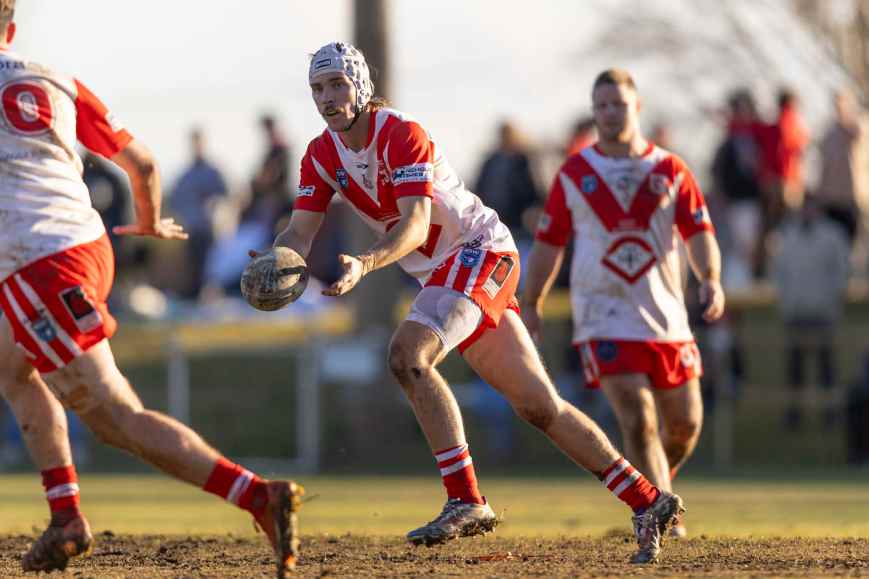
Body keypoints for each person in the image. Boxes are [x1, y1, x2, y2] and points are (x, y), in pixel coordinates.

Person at [259, 41, 684, 564]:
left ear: (361, 85)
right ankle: (648, 500)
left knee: (408, 356)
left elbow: (416, 226)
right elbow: (300, 232)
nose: (327, 97)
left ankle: (465, 498)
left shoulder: (400, 133)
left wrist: (365, 264)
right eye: (317, 88)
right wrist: (277, 260)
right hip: (450, 273)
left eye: (337, 85)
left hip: (480, 252)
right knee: (538, 406)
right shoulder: (320, 154)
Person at [0, 4, 303, 576]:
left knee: (115, 416)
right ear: (11, 30)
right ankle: (66, 517)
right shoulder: (55, 80)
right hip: (87, 244)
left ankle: (255, 495)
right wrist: (147, 222)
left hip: (38, 264)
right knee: (11, 366)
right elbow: (141, 164)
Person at [521, 69, 725, 539]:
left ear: (638, 107)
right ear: (595, 112)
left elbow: (699, 232)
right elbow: (549, 244)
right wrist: (532, 302)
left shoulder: (670, 170)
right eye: (602, 106)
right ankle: (665, 521)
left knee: (685, 427)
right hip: (604, 317)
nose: (610, 113)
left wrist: (711, 280)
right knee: (639, 419)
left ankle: (648, 497)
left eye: (619, 104)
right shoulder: (575, 173)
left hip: (666, 318)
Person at [771, 195, 850, 430]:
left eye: (811, 208)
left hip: (822, 312)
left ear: (819, 210)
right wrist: (786, 303)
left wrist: (832, 302)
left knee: (827, 367)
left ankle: (830, 414)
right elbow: (779, 272)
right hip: (796, 312)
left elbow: (842, 271)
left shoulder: (833, 236)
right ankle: (794, 414)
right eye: (804, 208)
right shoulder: (788, 235)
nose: (807, 212)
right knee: (794, 368)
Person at [170, 128, 229, 299]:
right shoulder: (185, 175)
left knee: (210, 267)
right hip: (191, 228)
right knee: (193, 266)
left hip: (209, 229)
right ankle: (194, 296)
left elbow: (226, 195)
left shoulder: (213, 172)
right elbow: (175, 200)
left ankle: (210, 295)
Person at [816, 90, 869, 250]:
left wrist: (848, 118)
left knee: (853, 243)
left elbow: (859, 133)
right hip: (831, 198)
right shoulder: (829, 132)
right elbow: (824, 165)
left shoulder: (858, 125)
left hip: (853, 199)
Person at [474, 120, 540, 243]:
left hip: (520, 223)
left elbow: (534, 188)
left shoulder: (524, 160)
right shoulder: (491, 161)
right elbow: (480, 187)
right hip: (494, 220)